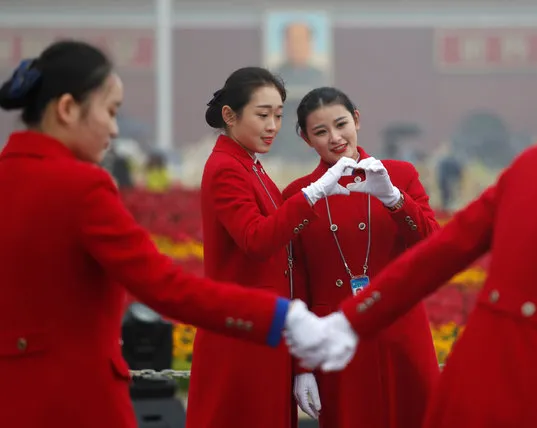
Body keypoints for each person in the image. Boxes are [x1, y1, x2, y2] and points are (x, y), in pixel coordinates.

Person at [288, 41, 537, 428]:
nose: (336, 137)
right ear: (306, 137)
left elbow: (435, 253)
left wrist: (344, 322)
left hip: (470, 383)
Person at [0, 40, 324, 428]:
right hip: (75, 399)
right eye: (110, 111)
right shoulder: (82, 186)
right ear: (67, 109)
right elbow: (166, 286)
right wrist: (280, 317)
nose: (115, 129)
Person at [185, 69, 357, 428]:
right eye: (262, 115)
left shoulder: (250, 166)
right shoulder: (226, 168)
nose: (273, 125)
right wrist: (312, 194)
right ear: (230, 116)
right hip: (243, 333)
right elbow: (257, 239)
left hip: (267, 330)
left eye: (278, 115)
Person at [282, 87, 441, 428]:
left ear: (356, 119)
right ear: (306, 138)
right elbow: (298, 284)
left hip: (402, 331)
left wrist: (395, 199)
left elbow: (434, 245)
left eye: (341, 124)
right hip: (336, 339)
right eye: (320, 132)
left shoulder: (399, 175)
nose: (336, 139)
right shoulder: (298, 195)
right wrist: (303, 367)